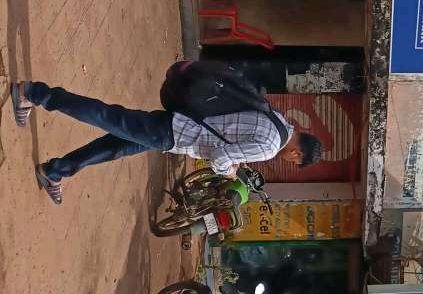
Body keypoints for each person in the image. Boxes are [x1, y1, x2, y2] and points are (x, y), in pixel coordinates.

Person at [9, 80, 323, 205]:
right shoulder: (270, 147)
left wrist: (231, 156)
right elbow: (221, 156)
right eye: (295, 160)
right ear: (297, 152)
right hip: (177, 133)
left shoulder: (277, 118)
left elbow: (231, 128)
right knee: (106, 117)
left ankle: (55, 170)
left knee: (115, 146)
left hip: (179, 126)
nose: (290, 161)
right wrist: (228, 172)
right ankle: (34, 93)